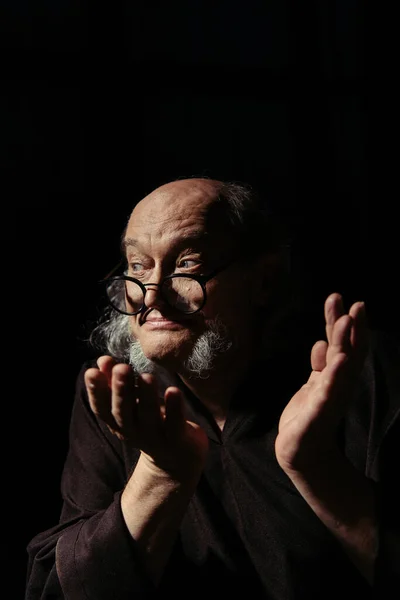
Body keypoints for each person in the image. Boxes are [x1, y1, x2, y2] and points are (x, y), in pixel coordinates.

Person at [25, 177, 399, 599]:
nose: (152, 296)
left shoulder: (356, 372)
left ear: (263, 281)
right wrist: (160, 474)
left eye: (187, 264)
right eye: (138, 266)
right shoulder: (115, 390)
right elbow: (52, 590)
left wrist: (314, 465)